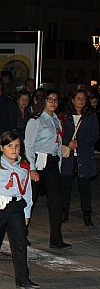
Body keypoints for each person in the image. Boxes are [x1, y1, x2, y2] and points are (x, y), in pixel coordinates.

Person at [0, 131, 38, 289]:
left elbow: (27, 192)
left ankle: (23, 278)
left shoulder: (23, 167)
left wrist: (27, 213)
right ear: (1, 148)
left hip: (17, 208)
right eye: (10, 146)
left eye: (17, 146)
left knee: (20, 243)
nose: (14, 149)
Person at [25, 90, 70, 249]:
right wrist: (32, 168)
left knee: (56, 201)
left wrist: (58, 166)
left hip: (51, 163)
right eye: (50, 99)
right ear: (44, 101)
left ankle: (56, 239)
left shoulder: (57, 120)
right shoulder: (35, 121)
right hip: (38, 162)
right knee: (30, 200)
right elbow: (28, 146)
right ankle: (21, 233)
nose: (53, 103)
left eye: (56, 100)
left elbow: (57, 147)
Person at [60, 90, 99, 227]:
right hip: (68, 157)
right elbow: (59, 133)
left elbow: (95, 136)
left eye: (84, 98)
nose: (81, 101)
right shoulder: (65, 116)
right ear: (72, 100)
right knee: (65, 185)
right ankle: (63, 211)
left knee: (85, 187)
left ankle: (87, 213)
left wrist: (79, 144)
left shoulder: (91, 116)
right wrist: (67, 142)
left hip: (84, 156)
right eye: (78, 98)